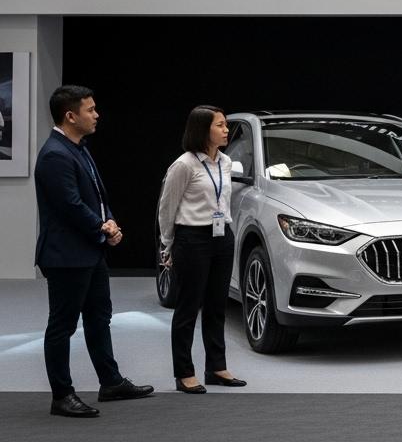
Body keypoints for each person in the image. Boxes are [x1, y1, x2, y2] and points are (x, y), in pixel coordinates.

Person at [33, 85, 153, 417]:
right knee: (62, 325)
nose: (96, 114)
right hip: (66, 256)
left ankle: (111, 382)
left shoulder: (78, 147)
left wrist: (109, 221)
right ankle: (61, 395)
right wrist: (103, 230)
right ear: (70, 116)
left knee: (99, 318)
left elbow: (97, 198)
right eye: (90, 109)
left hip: (90, 251)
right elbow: (70, 206)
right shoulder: (55, 154)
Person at [158, 105, 246, 394]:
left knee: (217, 306)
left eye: (225, 125)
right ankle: (184, 373)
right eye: (220, 125)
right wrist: (168, 244)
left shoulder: (225, 162)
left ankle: (216, 368)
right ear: (202, 130)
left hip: (222, 237)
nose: (226, 130)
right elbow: (167, 208)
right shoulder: (184, 165)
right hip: (191, 238)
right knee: (187, 308)